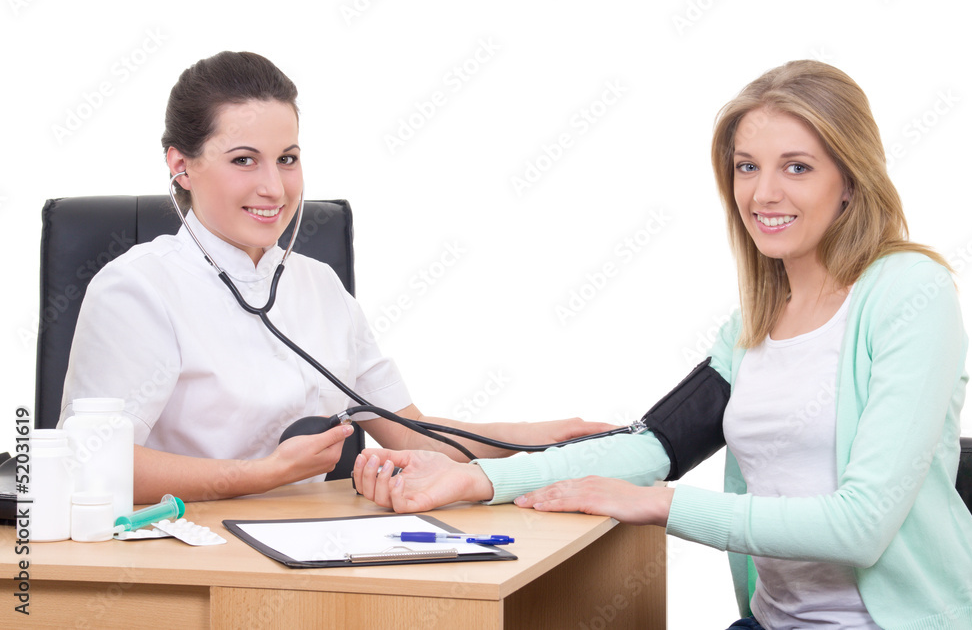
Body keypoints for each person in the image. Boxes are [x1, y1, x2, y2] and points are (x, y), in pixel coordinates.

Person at [352, 60, 972, 629]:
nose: (764, 193)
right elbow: (654, 446)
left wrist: (658, 504)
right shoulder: (752, 323)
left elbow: (861, 526)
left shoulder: (910, 293)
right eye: (747, 167)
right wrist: (473, 479)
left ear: (851, 179)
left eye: (797, 167)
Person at [58, 51, 612, 505]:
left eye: (288, 158)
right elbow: (90, 462)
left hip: (313, 548)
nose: (275, 188)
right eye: (244, 160)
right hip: (184, 555)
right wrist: (263, 475)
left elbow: (411, 432)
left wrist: (544, 437)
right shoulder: (136, 288)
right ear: (181, 166)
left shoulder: (319, 285)